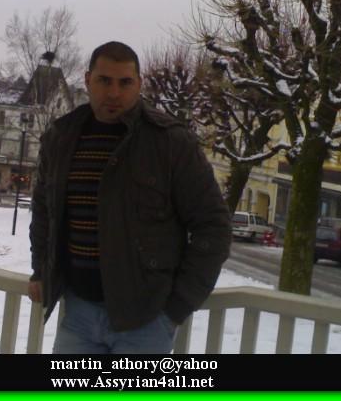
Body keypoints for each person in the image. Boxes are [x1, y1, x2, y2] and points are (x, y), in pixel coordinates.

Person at [27, 41, 231, 354]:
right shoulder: (61, 137)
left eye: (125, 82)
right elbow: (44, 210)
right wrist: (41, 270)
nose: (114, 93)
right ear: (87, 80)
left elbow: (213, 226)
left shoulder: (170, 142)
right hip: (78, 313)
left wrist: (177, 307)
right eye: (104, 80)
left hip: (145, 321)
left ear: (139, 84)